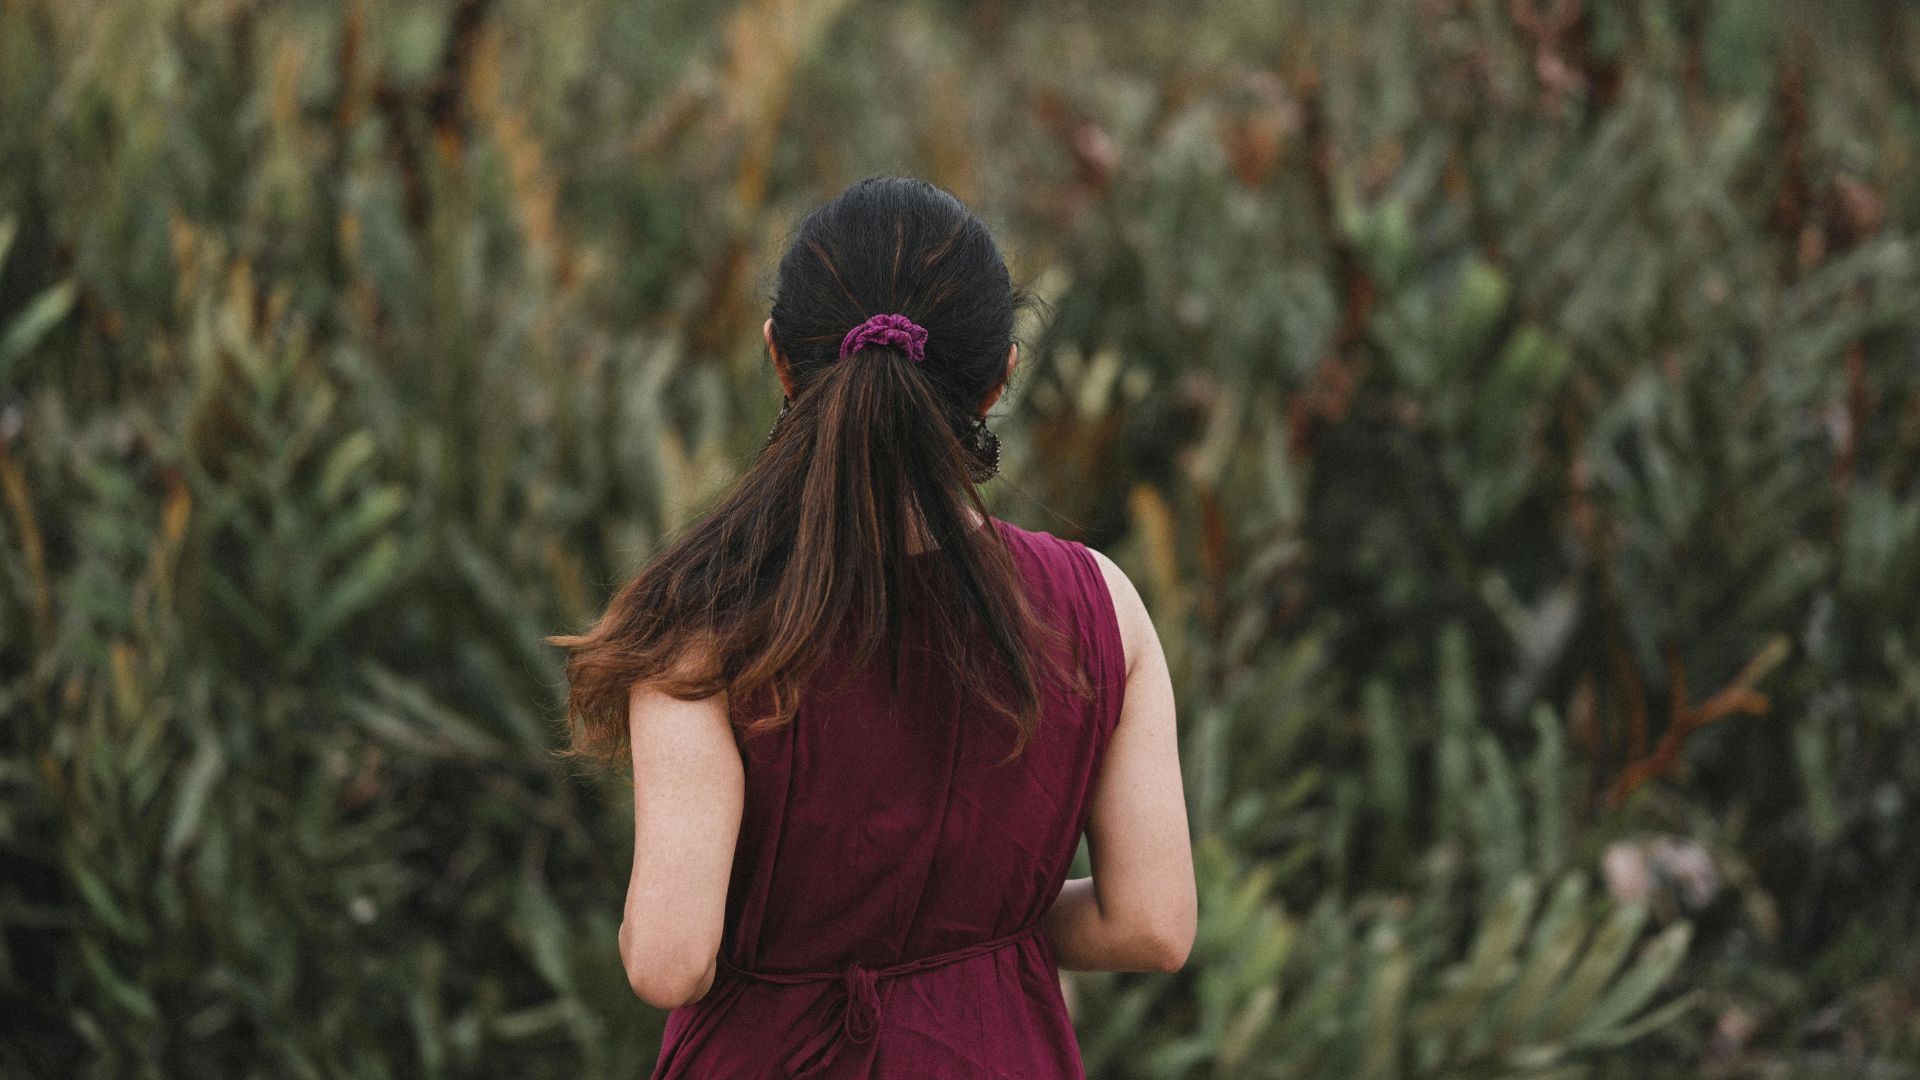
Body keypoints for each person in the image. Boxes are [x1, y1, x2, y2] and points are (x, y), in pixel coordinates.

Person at [551, 176, 1195, 1078]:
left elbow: (668, 959)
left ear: (779, 357)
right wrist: (982, 929)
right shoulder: (1102, 604)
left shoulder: (703, 624)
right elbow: (1152, 924)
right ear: (1001, 376)